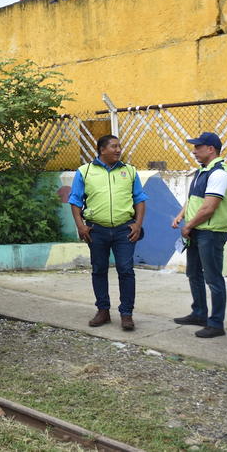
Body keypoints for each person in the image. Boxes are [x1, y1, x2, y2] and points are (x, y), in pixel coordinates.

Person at [68, 135, 148, 331]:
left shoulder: (129, 171)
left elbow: (139, 198)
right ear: (102, 149)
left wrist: (137, 224)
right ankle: (103, 311)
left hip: (125, 230)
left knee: (126, 270)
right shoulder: (85, 172)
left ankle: (126, 314)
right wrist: (80, 226)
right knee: (99, 269)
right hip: (96, 230)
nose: (118, 150)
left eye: (119, 146)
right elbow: (75, 200)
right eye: (114, 146)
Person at [169, 132, 227, 338]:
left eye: (198, 147)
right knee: (193, 273)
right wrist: (181, 215)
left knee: (213, 278)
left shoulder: (220, 173)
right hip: (197, 230)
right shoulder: (202, 171)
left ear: (211, 149)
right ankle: (199, 313)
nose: (194, 150)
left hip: (211, 232)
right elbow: (194, 199)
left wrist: (188, 227)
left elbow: (209, 207)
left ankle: (216, 323)